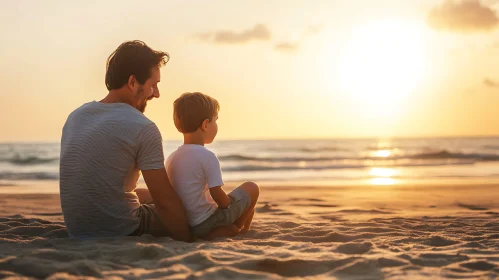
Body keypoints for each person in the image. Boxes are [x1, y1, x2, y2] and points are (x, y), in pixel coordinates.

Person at [59, 40, 191, 241]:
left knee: (143, 193)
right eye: (153, 85)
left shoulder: (76, 116)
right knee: (189, 206)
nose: (156, 93)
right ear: (132, 82)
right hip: (123, 229)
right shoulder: (142, 127)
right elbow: (165, 202)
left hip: (77, 231)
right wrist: (189, 241)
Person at [165, 92, 259, 240]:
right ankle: (237, 227)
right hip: (207, 222)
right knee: (252, 188)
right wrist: (229, 202)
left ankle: (222, 230)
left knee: (244, 205)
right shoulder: (207, 156)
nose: (216, 126)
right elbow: (219, 197)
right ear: (205, 124)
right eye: (216, 121)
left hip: (187, 223)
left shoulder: (171, 158)